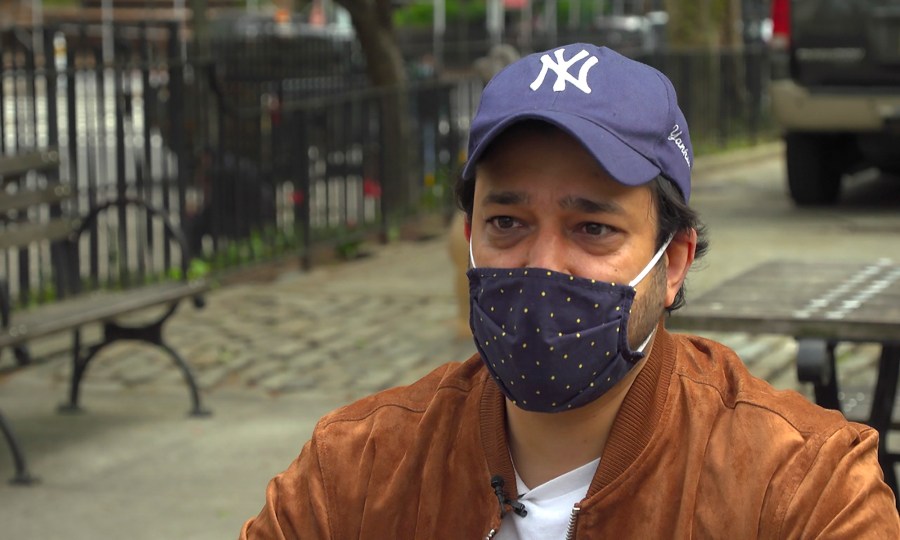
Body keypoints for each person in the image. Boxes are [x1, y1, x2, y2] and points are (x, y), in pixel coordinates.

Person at [240, 44, 899, 538]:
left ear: (672, 264)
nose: (543, 265)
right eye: (507, 223)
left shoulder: (800, 488)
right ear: (468, 237)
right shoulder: (354, 474)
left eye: (593, 228)